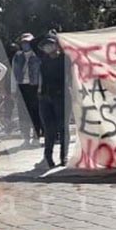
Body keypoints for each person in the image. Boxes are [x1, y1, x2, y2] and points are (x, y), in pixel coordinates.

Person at [37, 34, 68, 168]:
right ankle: (48, 157)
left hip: (61, 97)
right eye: (45, 46)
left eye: (50, 44)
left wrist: (58, 38)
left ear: (57, 45)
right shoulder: (43, 60)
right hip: (45, 97)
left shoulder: (65, 59)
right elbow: (33, 42)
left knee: (62, 128)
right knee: (49, 129)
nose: (48, 47)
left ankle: (63, 157)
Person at [11, 33, 42, 146]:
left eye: (27, 43)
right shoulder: (17, 56)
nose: (25, 45)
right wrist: (13, 89)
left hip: (34, 86)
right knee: (23, 113)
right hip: (22, 87)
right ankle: (26, 138)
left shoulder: (37, 55)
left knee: (35, 113)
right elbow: (13, 74)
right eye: (23, 43)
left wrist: (40, 87)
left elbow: (40, 73)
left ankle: (36, 137)